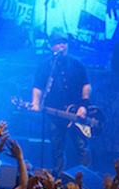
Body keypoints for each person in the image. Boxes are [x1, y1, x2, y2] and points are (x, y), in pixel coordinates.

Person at [30, 30, 91, 174]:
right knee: (57, 148)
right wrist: (35, 102)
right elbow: (38, 86)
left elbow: (86, 85)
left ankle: (86, 179)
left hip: (76, 112)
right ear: (51, 47)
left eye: (64, 43)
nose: (62, 46)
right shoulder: (46, 66)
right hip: (55, 114)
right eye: (58, 43)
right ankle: (59, 180)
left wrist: (84, 106)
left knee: (82, 147)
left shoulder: (76, 63)